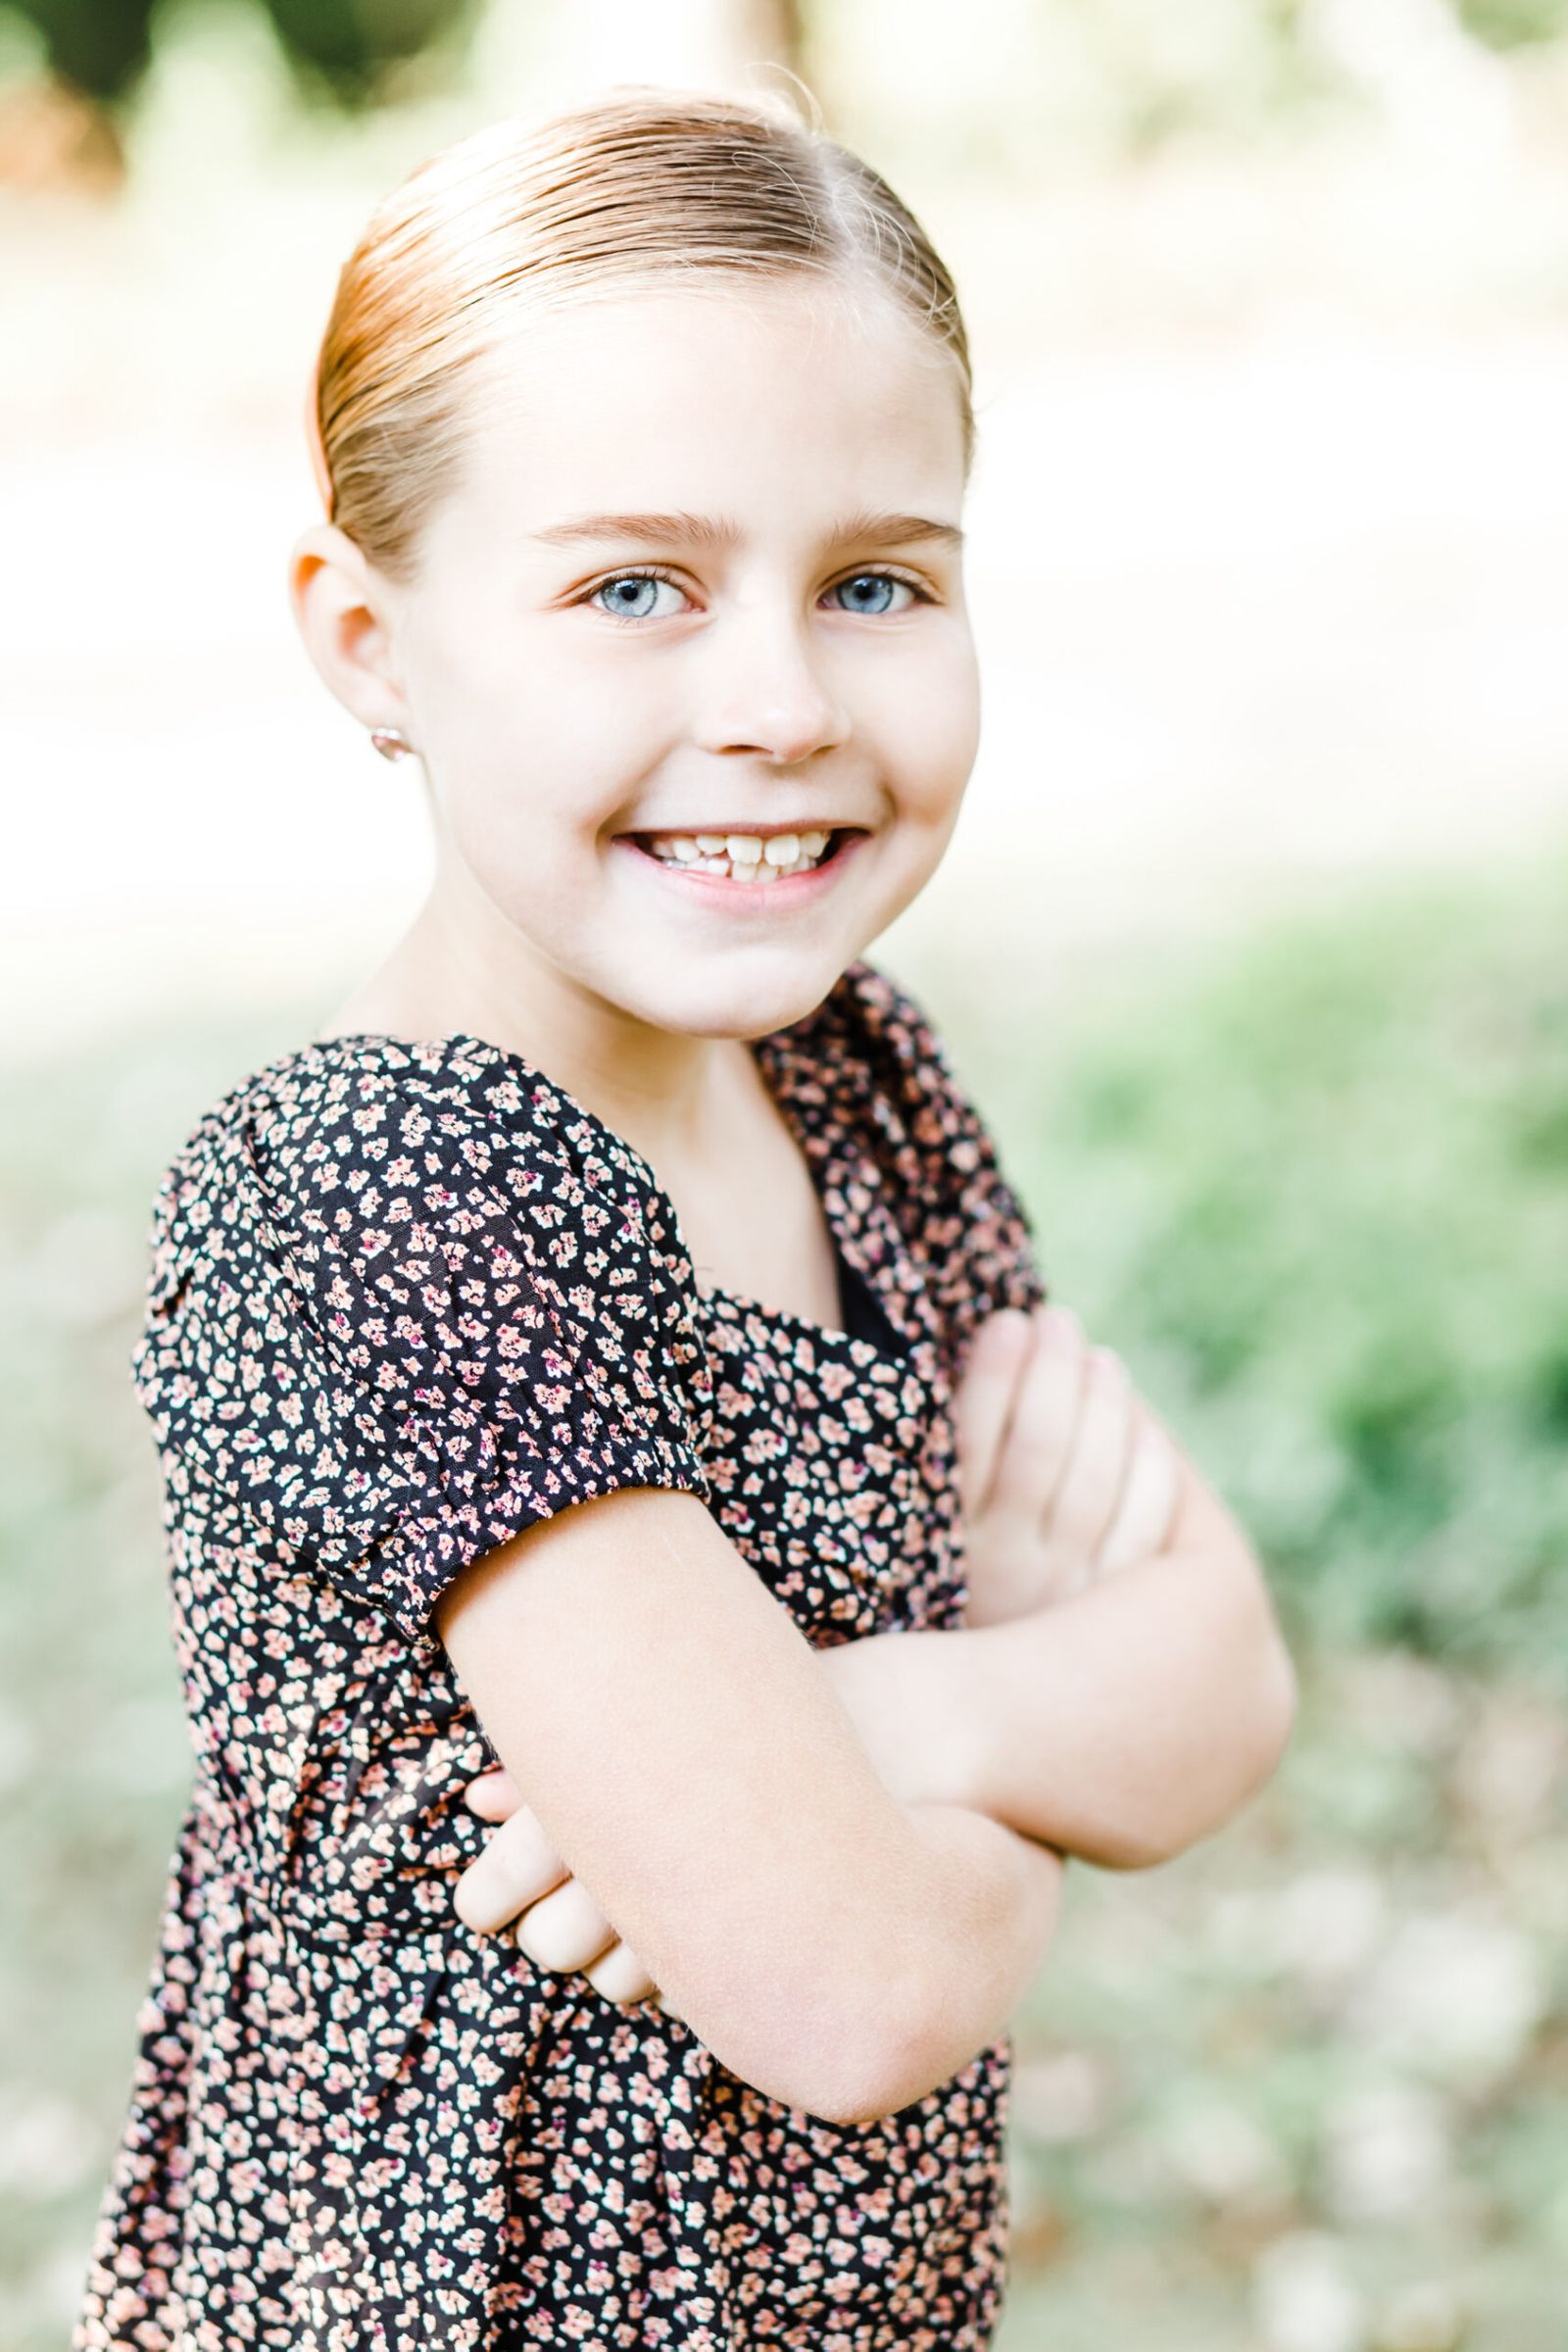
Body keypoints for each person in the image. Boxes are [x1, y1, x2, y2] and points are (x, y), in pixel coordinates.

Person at [74, 83, 1297, 2352]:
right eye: (631, 587)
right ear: (368, 639)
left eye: (872, 584)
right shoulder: (384, 1196)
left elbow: (1221, 1681)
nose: (779, 703)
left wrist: (884, 1724)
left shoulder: (854, 1080)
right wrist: (1024, 1739)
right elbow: (852, 1990)